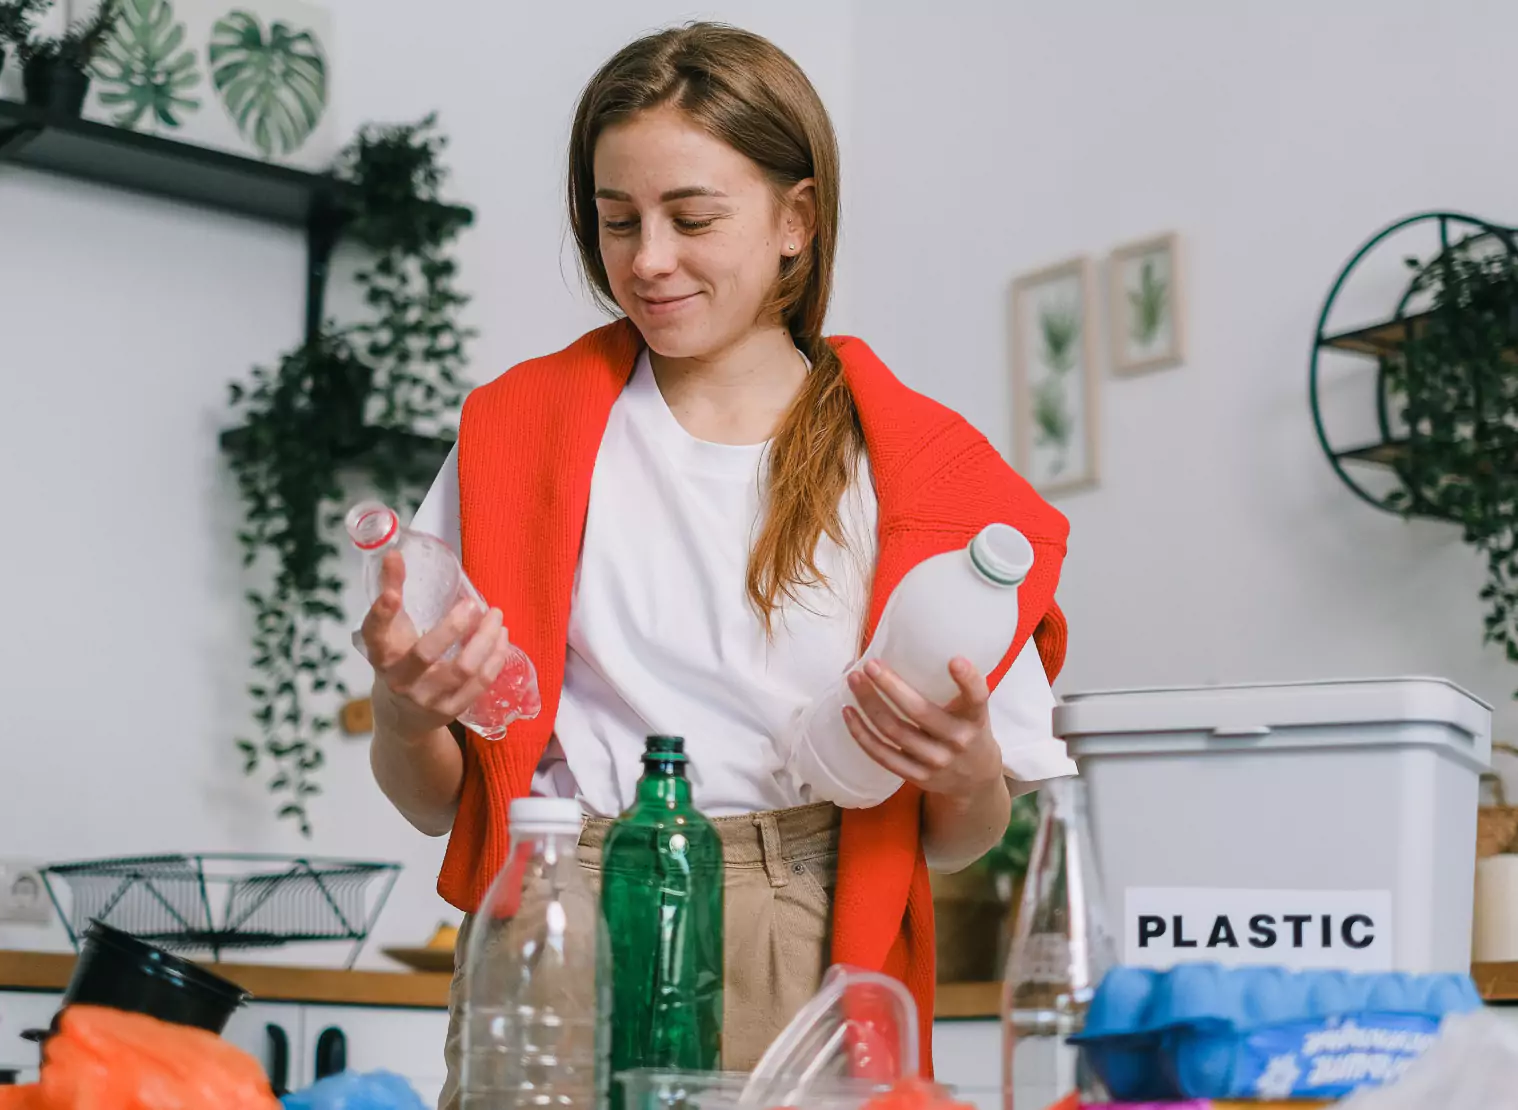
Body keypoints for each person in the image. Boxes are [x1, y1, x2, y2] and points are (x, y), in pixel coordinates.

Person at [356, 22, 1075, 1107]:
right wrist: (410, 715)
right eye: (615, 222)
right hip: (563, 917)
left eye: (691, 218)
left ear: (796, 220)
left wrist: (961, 761)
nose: (646, 260)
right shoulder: (513, 438)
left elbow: (958, 841)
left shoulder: (922, 477)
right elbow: (430, 801)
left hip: (810, 936)